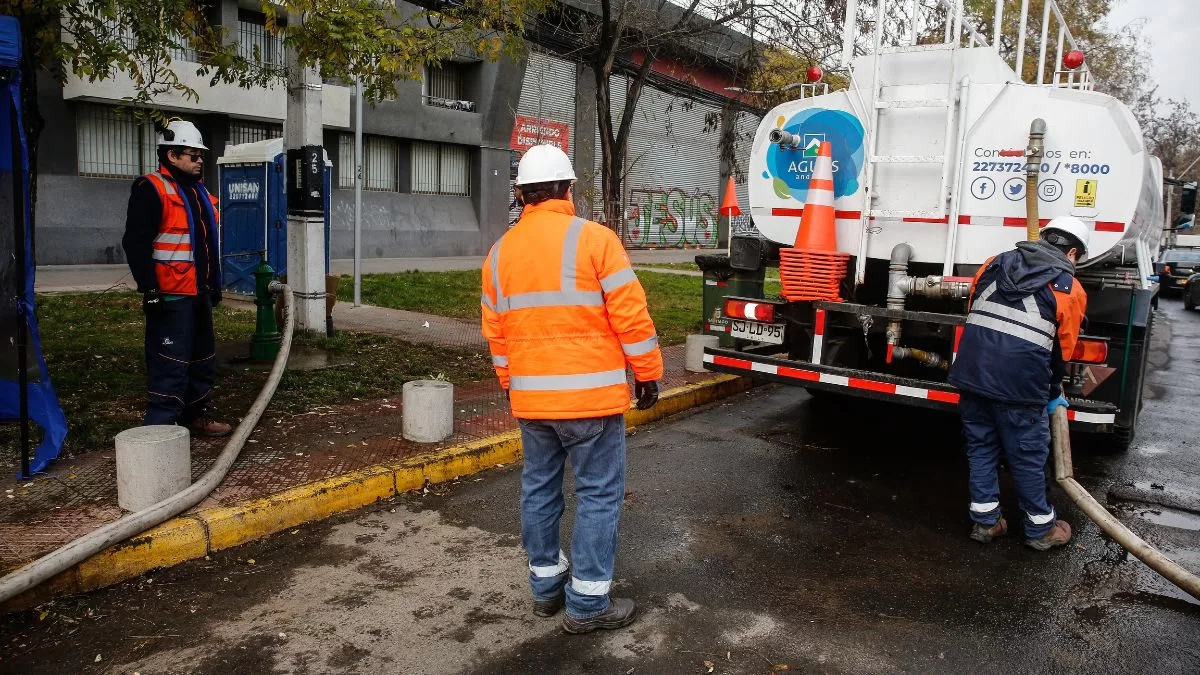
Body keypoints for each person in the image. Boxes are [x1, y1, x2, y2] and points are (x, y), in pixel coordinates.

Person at [481, 144, 663, 634]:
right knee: (598, 494)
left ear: (521, 195)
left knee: (539, 489)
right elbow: (630, 315)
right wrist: (647, 373)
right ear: (567, 190)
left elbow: (496, 333)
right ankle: (587, 603)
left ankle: (546, 588)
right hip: (590, 402)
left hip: (532, 402)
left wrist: (510, 384)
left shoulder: (499, 254)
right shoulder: (595, 240)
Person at [948, 216, 1089, 551]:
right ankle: (1041, 530)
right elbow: (1063, 350)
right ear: (1072, 252)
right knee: (1027, 457)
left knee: (980, 449)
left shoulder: (993, 264)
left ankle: (986, 523)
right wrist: (1053, 391)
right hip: (1021, 389)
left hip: (972, 377)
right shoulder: (1069, 289)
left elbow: (974, 312)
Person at [121, 120, 231, 437]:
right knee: (170, 360)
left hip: (198, 292)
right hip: (170, 294)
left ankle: (197, 414)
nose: (199, 160)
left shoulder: (199, 192)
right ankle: (161, 427)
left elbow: (205, 244)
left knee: (203, 358)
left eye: (201, 155)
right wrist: (150, 290)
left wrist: (213, 286)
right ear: (172, 155)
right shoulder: (152, 189)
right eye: (193, 155)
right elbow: (136, 243)